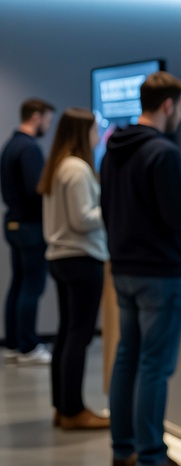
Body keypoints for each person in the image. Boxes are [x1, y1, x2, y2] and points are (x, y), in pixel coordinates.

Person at [102, 72, 181, 466]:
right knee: (154, 365)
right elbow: (175, 217)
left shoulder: (115, 149)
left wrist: (179, 201)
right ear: (169, 105)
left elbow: (121, 207)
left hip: (123, 267)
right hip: (159, 271)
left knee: (127, 359)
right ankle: (152, 457)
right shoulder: (163, 151)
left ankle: (124, 451)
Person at [38, 108, 110, 430]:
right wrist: (112, 207)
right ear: (84, 132)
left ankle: (63, 407)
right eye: (95, 130)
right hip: (81, 258)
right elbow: (83, 220)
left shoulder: (58, 166)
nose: (98, 136)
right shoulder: (77, 169)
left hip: (60, 258)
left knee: (67, 334)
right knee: (78, 337)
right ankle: (74, 410)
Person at [2, 98, 55, 365]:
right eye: (47, 119)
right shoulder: (29, 148)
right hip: (30, 227)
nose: (48, 125)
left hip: (13, 223)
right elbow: (35, 190)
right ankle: (27, 346)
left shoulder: (11, 145)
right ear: (36, 116)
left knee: (19, 284)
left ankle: (13, 342)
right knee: (32, 286)